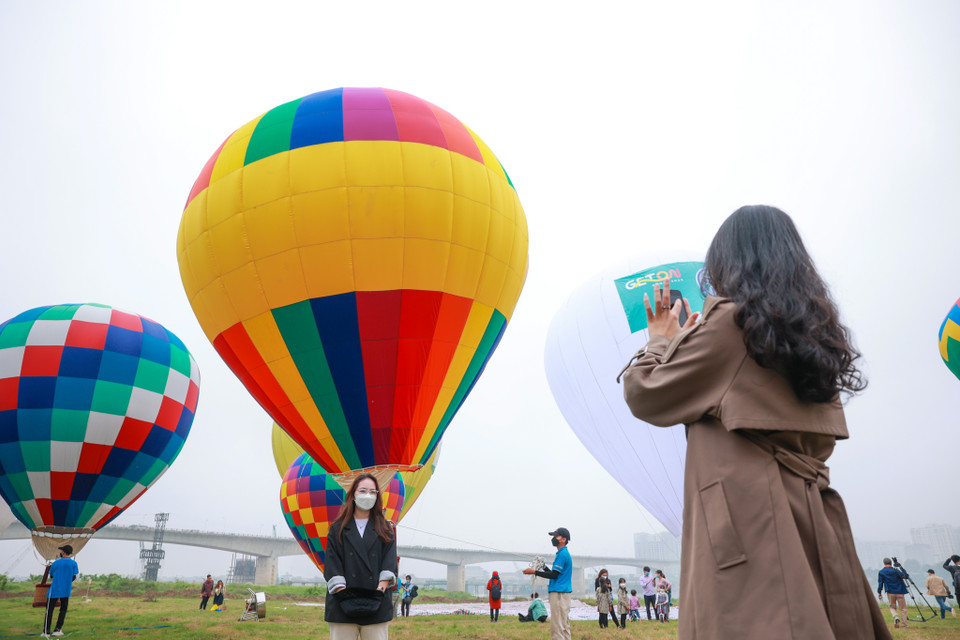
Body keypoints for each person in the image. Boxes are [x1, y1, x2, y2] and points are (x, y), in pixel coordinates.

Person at [621, 205, 891, 640]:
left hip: (748, 520)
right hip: (812, 517)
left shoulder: (730, 324)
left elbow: (645, 393)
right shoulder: (815, 337)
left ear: (729, 265)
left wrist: (660, 342)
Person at [323, 473, 398, 640]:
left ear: (378, 496)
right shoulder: (337, 529)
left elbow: (390, 563)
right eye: (363, 490)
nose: (367, 495)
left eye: (373, 492)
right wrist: (344, 596)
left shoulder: (386, 528)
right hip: (341, 603)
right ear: (353, 494)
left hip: (377, 601)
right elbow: (331, 564)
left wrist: (379, 591)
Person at [523, 527, 572, 640]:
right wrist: (544, 567)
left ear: (563, 539)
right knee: (564, 626)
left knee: (557, 628)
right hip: (563, 593)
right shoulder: (563, 553)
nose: (554, 538)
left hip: (559, 594)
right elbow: (554, 574)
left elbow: (554, 575)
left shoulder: (562, 554)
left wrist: (534, 571)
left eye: (556, 536)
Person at [41, 544, 78, 638]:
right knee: (63, 610)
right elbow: (74, 576)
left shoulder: (56, 563)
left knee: (49, 610)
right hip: (66, 590)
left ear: (63, 552)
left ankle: (46, 631)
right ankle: (57, 629)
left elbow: (51, 575)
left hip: (54, 590)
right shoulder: (74, 563)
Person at [877, 558, 909, 628]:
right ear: (891, 563)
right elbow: (906, 576)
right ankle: (904, 625)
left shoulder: (881, 572)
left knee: (892, 607)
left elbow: (880, 583)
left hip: (890, 592)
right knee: (903, 609)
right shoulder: (896, 571)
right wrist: (901, 567)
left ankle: (896, 617)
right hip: (900, 592)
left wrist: (879, 592)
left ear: (884, 563)